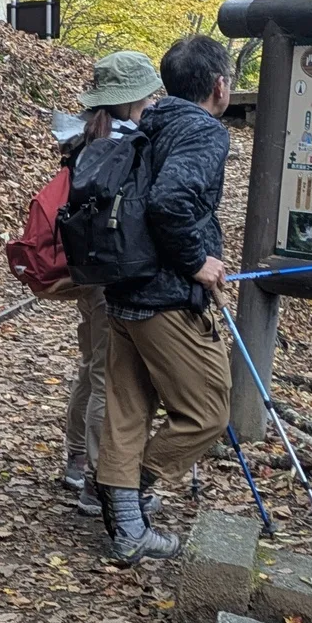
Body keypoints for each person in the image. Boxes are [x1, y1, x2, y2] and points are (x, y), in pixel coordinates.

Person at [94, 34, 237, 564]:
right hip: (164, 297)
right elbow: (171, 200)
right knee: (205, 413)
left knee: (128, 409)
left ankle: (127, 526)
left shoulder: (147, 121)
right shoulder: (202, 132)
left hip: (124, 286)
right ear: (220, 86)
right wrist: (198, 262)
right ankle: (126, 493)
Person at [59, 51, 163, 517]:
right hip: (111, 271)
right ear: (133, 97)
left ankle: (77, 460)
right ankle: (98, 483)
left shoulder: (83, 136)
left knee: (91, 364)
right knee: (108, 376)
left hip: (85, 268)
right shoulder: (128, 144)